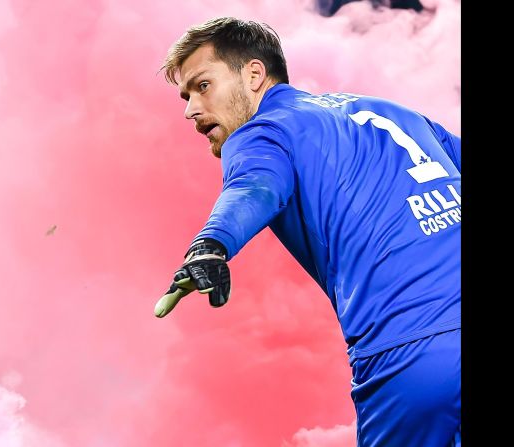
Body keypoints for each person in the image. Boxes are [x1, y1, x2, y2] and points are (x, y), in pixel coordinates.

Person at [153, 17, 460, 446]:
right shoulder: (394, 113)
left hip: (409, 357)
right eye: (185, 96)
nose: (190, 109)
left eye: (202, 86)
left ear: (255, 74)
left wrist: (211, 243)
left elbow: (253, 186)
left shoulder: (264, 131)